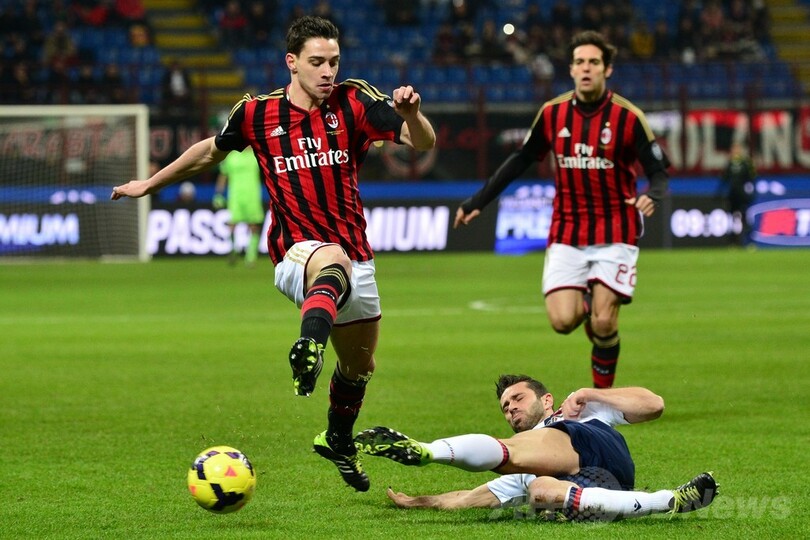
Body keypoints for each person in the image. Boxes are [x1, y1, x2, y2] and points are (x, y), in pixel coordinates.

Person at [111, 15, 436, 492]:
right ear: (292, 62)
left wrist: (411, 114)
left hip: (356, 255)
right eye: (317, 62)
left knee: (360, 366)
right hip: (295, 254)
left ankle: (337, 438)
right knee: (331, 260)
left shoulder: (354, 101)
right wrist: (150, 183)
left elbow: (422, 142)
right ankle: (309, 346)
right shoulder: (256, 113)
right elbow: (209, 151)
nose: (328, 71)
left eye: (334, 61)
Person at [454, 30, 670, 389]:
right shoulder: (552, 113)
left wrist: (654, 194)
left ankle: (602, 403)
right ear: (570, 69)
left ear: (607, 69)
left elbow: (659, 171)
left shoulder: (628, 117)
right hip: (567, 230)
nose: (586, 68)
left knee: (604, 322)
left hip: (616, 229)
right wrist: (478, 201)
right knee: (562, 321)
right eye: (580, 62)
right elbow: (521, 159)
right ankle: (590, 299)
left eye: (594, 62)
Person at [355, 374, 718, 521]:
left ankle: (428, 451)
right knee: (540, 490)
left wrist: (590, 393)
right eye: (505, 407)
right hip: (602, 487)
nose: (510, 408)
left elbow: (654, 405)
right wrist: (417, 501)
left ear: (546, 400)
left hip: (592, 443)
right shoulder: (528, 463)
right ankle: (670, 500)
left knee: (515, 456)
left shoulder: (579, 410)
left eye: (517, 398)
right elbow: (470, 498)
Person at [213, 147, 264, 267]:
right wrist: (218, 194)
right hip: (235, 196)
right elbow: (223, 175)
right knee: (232, 224)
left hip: (252, 195)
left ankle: (251, 257)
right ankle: (233, 250)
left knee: (254, 225)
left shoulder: (256, 155)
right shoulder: (231, 156)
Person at [718, 142, 756, 246]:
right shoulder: (729, 164)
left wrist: (751, 193)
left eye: (737, 149)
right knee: (732, 219)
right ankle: (733, 242)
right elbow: (724, 179)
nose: (736, 152)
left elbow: (751, 179)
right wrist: (719, 193)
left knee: (745, 218)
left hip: (742, 195)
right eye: (734, 149)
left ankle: (749, 242)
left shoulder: (745, 164)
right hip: (732, 195)